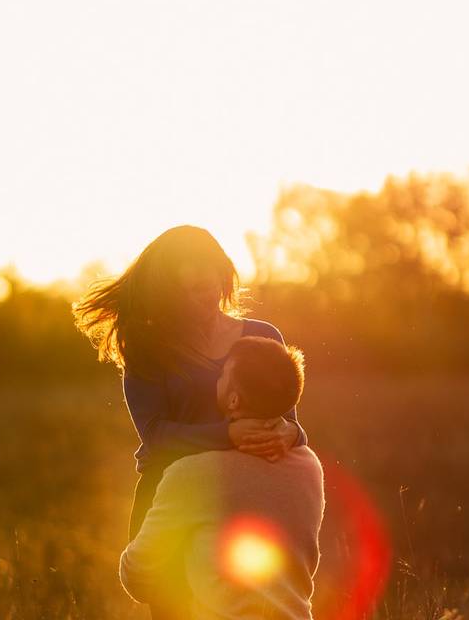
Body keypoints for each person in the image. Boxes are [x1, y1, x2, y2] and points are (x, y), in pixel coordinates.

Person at [72, 225, 308, 617]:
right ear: (166, 291)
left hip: (245, 504)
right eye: (187, 289)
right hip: (170, 501)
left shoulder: (262, 336)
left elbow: (286, 419)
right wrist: (228, 434)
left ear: (223, 275)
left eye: (208, 283)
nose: (202, 296)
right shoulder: (148, 349)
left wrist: (289, 433)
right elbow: (156, 436)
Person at [119, 335, 325, 619]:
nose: (216, 377)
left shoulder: (190, 474)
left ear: (233, 399)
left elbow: (137, 577)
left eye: (223, 372)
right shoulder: (310, 468)